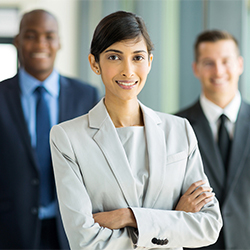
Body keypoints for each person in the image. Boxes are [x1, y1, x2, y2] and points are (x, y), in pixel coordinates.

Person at [50, 11, 222, 250]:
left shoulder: (179, 129)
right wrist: (173, 219)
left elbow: (209, 226)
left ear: (150, 62)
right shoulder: (67, 138)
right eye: (114, 57)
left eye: (138, 57)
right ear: (94, 63)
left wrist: (128, 217)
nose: (128, 71)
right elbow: (84, 241)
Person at [0, 9, 99, 249]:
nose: (40, 43)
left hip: (71, 230)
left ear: (59, 42)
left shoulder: (86, 96)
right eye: (31, 35)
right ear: (18, 41)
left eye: (49, 36)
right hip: (11, 233)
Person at [176, 30, 249, 249]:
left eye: (226, 62)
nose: (218, 71)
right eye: (208, 63)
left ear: (239, 65)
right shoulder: (176, 127)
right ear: (195, 68)